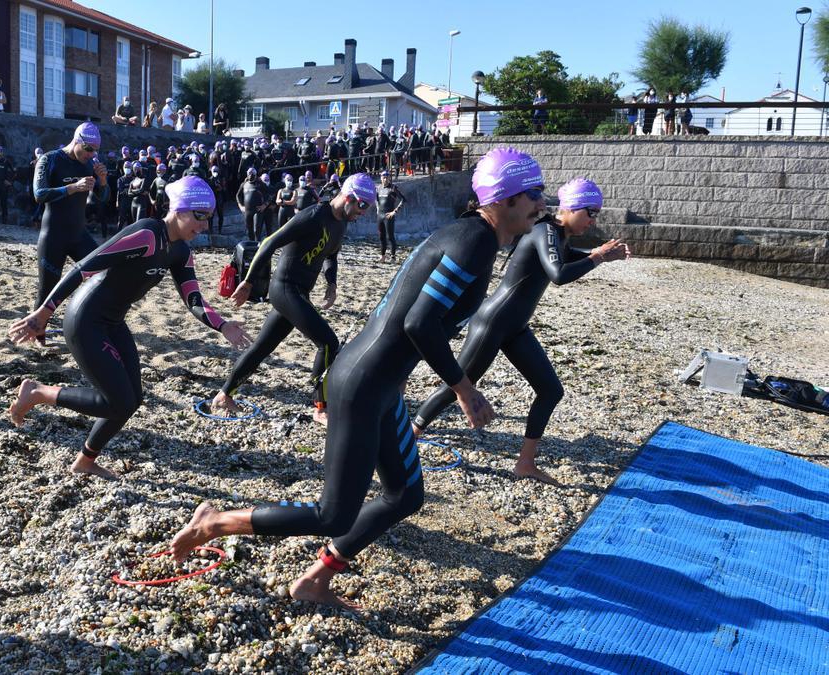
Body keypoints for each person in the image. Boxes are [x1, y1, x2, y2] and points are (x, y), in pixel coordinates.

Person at [169, 148, 544, 608]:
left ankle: (314, 579)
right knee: (332, 513)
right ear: (505, 198)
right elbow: (419, 324)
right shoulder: (475, 241)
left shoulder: (473, 237)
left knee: (404, 495)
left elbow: (417, 319)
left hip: (381, 385)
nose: (541, 204)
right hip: (361, 383)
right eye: (534, 194)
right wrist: (463, 388)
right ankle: (215, 521)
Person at [7, 176, 251, 480]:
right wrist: (44, 311)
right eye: (199, 217)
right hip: (85, 319)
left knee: (132, 400)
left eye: (208, 219)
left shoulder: (181, 252)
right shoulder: (147, 234)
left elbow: (193, 298)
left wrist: (223, 324)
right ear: (179, 209)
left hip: (113, 321)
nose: (203, 226)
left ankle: (84, 461)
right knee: (116, 400)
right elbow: (84, 267)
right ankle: (38, 392)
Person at [412, 178, 629, 485]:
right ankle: (408, 438)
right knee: (456, 388)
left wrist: (599, 255)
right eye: (590, 211)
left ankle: (525, 463)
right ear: (569, 208)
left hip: (514, 327)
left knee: (551, 391)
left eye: (597, 214)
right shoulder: (545, 230)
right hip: (492, 323)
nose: (593, 219)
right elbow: (558, 274)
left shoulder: (559, 236)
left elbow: (566, 258)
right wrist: (598, 257)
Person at [212, 172, 375, 426]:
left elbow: (331, 255)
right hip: (285, 289)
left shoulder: (340, 223)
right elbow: (269, 242)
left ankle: (224, 394)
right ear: (348, 197)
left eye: (368, 207)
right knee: (329, 343)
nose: (363, 212)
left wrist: (331, 283)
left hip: (300, 293)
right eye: (362, 205)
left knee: (262, 348)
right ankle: (320, 407)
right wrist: (249, 281)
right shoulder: (313, 215)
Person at [32, 121, 110, 315]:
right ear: (76, 141)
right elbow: (39, 194)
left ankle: (88, 318)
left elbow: (104, 198)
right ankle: (38, 333)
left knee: (105, 275)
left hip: (78, 235)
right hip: (53, 236)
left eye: (95, 151)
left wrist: (102, 181)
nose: (91, 154)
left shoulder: (89, 163)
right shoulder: (50, 159)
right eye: (88, 149)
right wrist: (73, 187)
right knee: (47, 293)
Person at [375, 170, 406, 263]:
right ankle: (383, 256)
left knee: (390, 237)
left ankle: (393, 257)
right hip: (380, 215)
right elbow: (376, 200)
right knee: (381, 237)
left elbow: (403, 200)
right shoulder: (379, 188)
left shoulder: (393, 188)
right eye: (383, 177)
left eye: (387, 177)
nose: (385, 179)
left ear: (389, 178)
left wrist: (394, 211)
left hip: (389, 216)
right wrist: (377, 209)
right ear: (381, 178)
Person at [208, 164, 227, 233]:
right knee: (211, 216)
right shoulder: (209, 180)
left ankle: (220, 230)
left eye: (216, 171)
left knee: (220, 215)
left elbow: (225, 189)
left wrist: (221, 188)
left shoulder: (221, 179)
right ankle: (210, 230)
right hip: (212, 199)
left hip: (219, 198)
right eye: (214, 171)